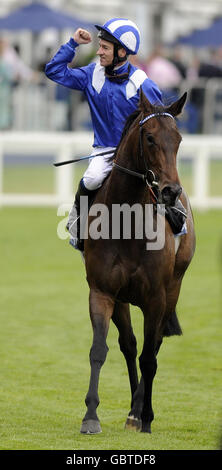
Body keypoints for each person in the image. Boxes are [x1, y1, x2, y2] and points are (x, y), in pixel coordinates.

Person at [45, 19, 184, 252]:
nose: (99, 52)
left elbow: (160, 126)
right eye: (100, 46)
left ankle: (177, 219)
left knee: (160, 181)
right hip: (104, 150)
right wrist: (72, 44)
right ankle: (77, 226)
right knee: (90, 179)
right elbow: (53, 71)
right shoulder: (92, 74)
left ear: (122, 52)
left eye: (104, 48)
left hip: (137, 153)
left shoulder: (143, 84)